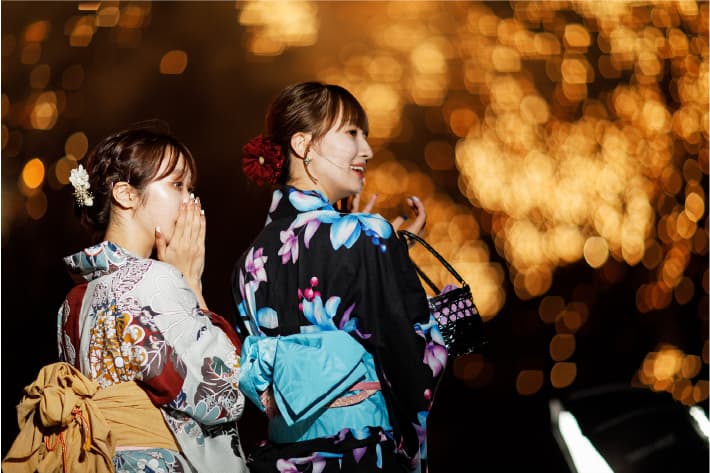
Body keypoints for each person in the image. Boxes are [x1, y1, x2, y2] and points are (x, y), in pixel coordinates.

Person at [4, 122, 249, 472]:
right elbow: (224, 393)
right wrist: (192, 282)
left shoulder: (74, 300)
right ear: (126, 194)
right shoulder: (154, 280)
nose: (190, 201)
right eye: (177, 185)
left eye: (190, 188)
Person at [232, 82, 448, 473]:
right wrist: (440, 325)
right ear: (303, 144)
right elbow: (411, 367)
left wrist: (386, 254)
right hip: (359, 453)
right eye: (351, 133)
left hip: (282, 458)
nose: (366, 150)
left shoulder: (249, 261)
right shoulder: (366, 235)